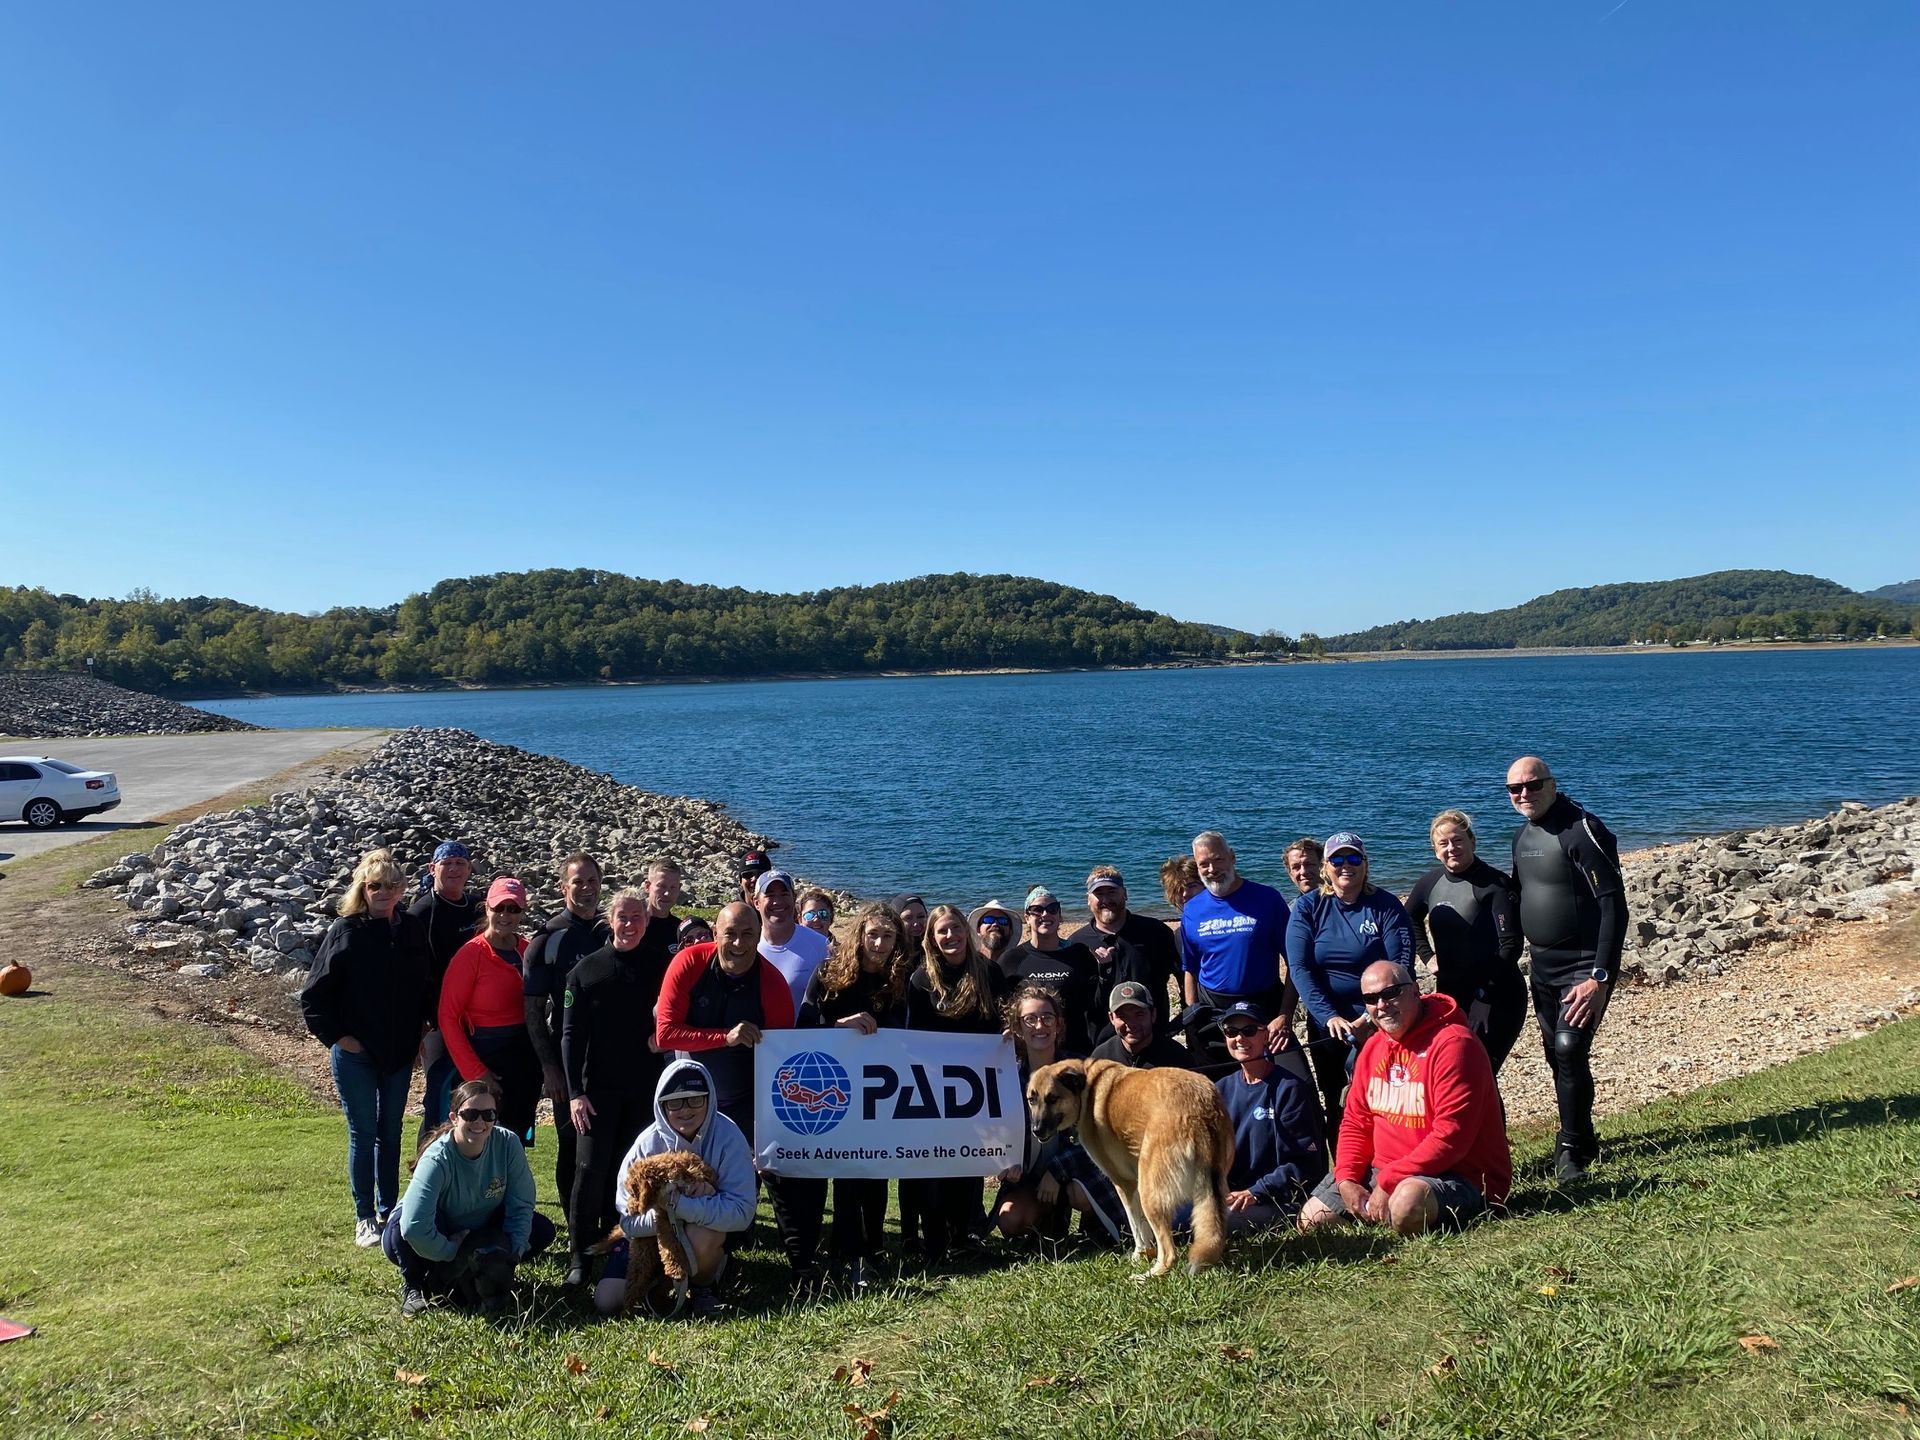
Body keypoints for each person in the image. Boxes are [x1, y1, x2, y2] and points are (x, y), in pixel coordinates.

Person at [1298, 962, 1511, 1237]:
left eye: (1391, 993)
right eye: (1371, 999)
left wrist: (1388, 1183)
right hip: (1386, 1171)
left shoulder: (1455, 1045)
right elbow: (1356, 1122)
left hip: (1459, 1174)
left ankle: (1393, 1213)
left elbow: (1451, 1137)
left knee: (1406, 1206)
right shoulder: (1373, 1046)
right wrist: (1347, 1178)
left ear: (1415, 991)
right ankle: (1379, 1214)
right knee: (1312, 1220)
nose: (1382, 1005)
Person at [300, 848, 431, 1246]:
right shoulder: (346, 931)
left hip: (398, 1053)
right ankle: (364, 1217)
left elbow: (423, 985)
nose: (384, 893)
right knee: (363, 1132)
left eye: (393, 885)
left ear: (403, 888)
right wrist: (341, 1038)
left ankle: (389, 1209)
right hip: (356, 1054)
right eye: (376, 886)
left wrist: (422, 1032)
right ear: (363, 888)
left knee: (390, 1131)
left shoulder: (409, 929)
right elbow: (313, 997)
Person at [1507, 756, 1626, 1183]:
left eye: (1533, 785)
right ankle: (1584, 1135)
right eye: (1515, 789)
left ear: (1552, 783)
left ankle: (1570, 1149)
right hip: (1541, 966)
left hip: (1582, 964)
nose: (1524, 794)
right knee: (1557, 1058)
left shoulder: (1582, 829)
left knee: (1569, 1048)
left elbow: (1614, 906)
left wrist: (1600, 977)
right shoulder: (1523, 835)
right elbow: (1519, 895)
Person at [559, 888, 673, 1286]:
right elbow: (570, 1037)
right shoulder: (586, 971)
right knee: (589, 1171)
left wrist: (664, 1036)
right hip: (597, 1091)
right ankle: (579, 1258)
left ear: (647, 919)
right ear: (610, 921)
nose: (630, 925)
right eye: (622, 917)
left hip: (645, 1089)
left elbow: (679, 1010)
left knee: (638, 1173)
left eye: (637, 917)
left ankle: (627, 1248)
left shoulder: (662, 964)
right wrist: (575, 1093)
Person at [803, 902, 913, 1289]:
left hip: (879, 1092)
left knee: (877, 1172)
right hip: (834, 1089)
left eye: (888, 936)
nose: (880, 944)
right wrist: (838, 1026)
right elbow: (801, 1029)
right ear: (859, 935)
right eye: (873, 935)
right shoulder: (830, 973)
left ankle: (871, 1250)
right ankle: (843, 1253)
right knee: (847, 1174)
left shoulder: (898, 981)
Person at [595, 1060, 756, 1319]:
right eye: (675, 1102)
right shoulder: (646, 1145)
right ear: (662, 1105)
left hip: (700, 1231)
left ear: (709, 1098)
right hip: (647, 1238)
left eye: (695, 1100)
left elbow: (742, 1211)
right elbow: (628, 1221)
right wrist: (670, 1211)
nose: (685, 1110)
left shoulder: (729, 1137)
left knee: (704, 1235)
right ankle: (659, 1281)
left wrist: (681, 1206)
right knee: (607, 1301)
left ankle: (704, 1284)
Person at [386, 1078, 556, 1317]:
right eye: (471, 1114)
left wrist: (513, 1254)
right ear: (454, 1118)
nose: (480, 1122)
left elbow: (521, 1205)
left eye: (488, 1115)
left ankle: (472, 1275)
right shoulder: (437, 1159)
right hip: (433, 1230)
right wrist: (450, 1250)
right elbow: (414, 1227)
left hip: (479, 1227)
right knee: (401, 1231)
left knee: (541, 1230)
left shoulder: (508, 1143)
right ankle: (413, 1285)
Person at [1286, 833, 1417, 1133]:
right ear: (1325, 867)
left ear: (1365, 864)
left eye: (1354, 858)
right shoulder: (1308, 907)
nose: (1346, 866)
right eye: (1337, 859)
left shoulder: (1385, 905)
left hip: (1383, 1018)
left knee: (1387, 1097)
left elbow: (1401, 967)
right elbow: (1299, 967)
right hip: (1328, 1024)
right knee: (1336, 1101)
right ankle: (1345, 1174)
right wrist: (1329, 1016)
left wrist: (1369, 1020)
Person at [991, 984, 1127, 1248]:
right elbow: (996, 1133)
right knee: (1010, 1220)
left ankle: (1093, 1226)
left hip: (1079, 1172)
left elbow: (1099, 1133)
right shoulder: (1006, 1076)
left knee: (1080, 1194)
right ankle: (1048, 1223)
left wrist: (1057, 1170)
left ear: (1058, 1025)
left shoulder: (1080, 1071)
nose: (1039, 1026)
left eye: (1047, 1018)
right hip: (1030, 1177)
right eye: (1029, 1019)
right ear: (1017, 1028)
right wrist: (1005, 1163)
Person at [903, 904, 1001, 1265]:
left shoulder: (988, 972)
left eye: (956, 929)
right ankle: (934, 1243)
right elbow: (910, 1038)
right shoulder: (920, 980)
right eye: (942, 931)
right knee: (934, 1168)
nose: (951, 936)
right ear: (931, 937)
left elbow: (999, 1022)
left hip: (977, 1086)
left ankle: (964, 1236)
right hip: (932, 1087)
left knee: (969, 1165)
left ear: (967, 932)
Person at [653, 901, 795, 1140]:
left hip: (745, 1102)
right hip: (688, 1100)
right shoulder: (688, 962)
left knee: (744, 1176)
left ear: (759, 936)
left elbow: (783, 1056)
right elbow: (665, 1034)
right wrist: (726, 1038)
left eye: (747, 934)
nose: (738, 943)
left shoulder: (773, 983)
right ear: (715, 934)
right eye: (730, 934)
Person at [522, 853, 611, 1222]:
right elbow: (533, 1012)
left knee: (607, 1141)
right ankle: (576, 1220)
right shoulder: (549, 938)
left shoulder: (609, 931)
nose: (587, 889)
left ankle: (608, 1216)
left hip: (609, 1056)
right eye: (578, 882)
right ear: (563, 888)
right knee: (571, 1143)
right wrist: (549, 1068)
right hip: (567, 1058)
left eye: (592, 881)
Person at [1406, 810, 1527, 1074]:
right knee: (1455, 1072)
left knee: (1481, 1072)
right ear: (1434, 849)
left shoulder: (1495, 885)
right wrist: (1427, 956)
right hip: (1450, 994)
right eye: (1443, 843)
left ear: (1472, 841)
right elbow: (1409, 919)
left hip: (1499, 995)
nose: (1452, 848)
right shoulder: (1430, 883)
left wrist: (1484, 998)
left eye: (1458, 840)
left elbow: (1510, 946)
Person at [438, 877, 540, 1145]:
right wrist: (476, 1072)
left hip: (521, 1055)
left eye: (514, 909)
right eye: (499, 908)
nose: (506, 915)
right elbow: (448, 1017)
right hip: (484, 1052)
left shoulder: (526, 950)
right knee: (477, 1138)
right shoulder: (471, 954)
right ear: (487, 909)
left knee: (513, 1140)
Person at [1213, 1002, 1327, 1232]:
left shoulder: (1290, 1090)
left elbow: (1307, 1164)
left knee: (1213, 1221)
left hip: (1277, 1199)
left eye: (1249, 1031)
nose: (1240, 1039)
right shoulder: (1221, 1089)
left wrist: (1256, 1192)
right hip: (1233, 1195)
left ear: (1266, 1035)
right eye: (1232, 1032)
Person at [1180, 831, 1296, 1053]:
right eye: (1204, 864)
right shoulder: (1192, 910)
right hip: (1214, 1008)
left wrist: (1285, 1015)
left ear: (1232, 857)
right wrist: (1194, 1011)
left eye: (1218, 860)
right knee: (1214, 1084)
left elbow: (1295, 963)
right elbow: (1191, 968)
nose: (1212, 870)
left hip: (1265, 1006)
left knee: (1296, 1081)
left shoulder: (1268, 899)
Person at [407, 840, 483, 1144]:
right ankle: (425, 1171)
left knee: (472, 1098)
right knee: (438, 1098)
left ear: (469, 869)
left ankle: (467, 1168)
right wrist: (419, 1024)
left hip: (475, 1019)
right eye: (446, 863)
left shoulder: (477, 907)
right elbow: (411, 976)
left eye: (460, 863)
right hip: (438, 1021)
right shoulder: (421, 913)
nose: (453, 869)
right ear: (432, 868)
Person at [1068, 866, 1179, 1043]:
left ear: (1125, 894)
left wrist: (1179, 1026)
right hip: (1100, 1045)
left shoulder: (1156, 932)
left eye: (1111, 892)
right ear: (1088, 900)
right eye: (1099, 894)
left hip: (1154, 1039)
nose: (1105, 899)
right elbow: (1075, 1003)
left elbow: (1184, 977)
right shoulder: (1077, 944)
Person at [993, 886, 1100, 1048]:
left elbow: (1096, 1005)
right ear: (1027, 917)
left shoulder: (1079, 954)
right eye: (1037, 910)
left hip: (1075, 1048)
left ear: (1059, 915)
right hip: (1029, 1050)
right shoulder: (1012, 959)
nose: (1045, 914)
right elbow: (999, 1008)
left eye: (1052, 909)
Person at [756, 869, 831, 1012]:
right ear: (756, 902)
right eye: (770, 895)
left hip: (805, 1033)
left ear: (793, 898)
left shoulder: (820, 945)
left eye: (784, 894)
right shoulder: (748, 945)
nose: (777, 901)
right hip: (760, 1034)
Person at [1089, 980, 1194, 1070]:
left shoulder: (1176, 1058)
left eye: (1139, 1014)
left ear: (1153, 1015)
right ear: (1111, 1018)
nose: (1131, 1024)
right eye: (1122, 1016)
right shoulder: (1101, 1058)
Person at [640, 859, 684, 966]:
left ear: (679, 888)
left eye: (673, 887)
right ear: (647, 886)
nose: (667, 893)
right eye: (661, 886)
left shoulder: (681, 930)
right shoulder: (631, 923)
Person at [970, 900, 1017, 969]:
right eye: (988, 920)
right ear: (978, 929)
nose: (995, 924)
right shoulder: (968, 963)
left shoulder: (1017, 965)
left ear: (1010, 931)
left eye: (1002, 920)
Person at [892, 894, 930, 959]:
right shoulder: (888, 950)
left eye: (921, 916)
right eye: (908, 918)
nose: (916, 923)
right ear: (896, 920)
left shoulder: (934, 946)